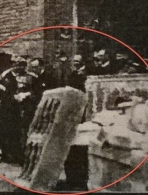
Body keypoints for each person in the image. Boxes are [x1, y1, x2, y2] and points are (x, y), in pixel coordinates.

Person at [63, 54, 89, 191]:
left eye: (77, 62)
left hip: (82, 111)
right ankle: (72, 178)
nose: (75, 64)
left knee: (79, 145)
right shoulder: (73, 73)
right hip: (72, 110)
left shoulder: (86, 74)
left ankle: (79, 179)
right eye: (74, 61)